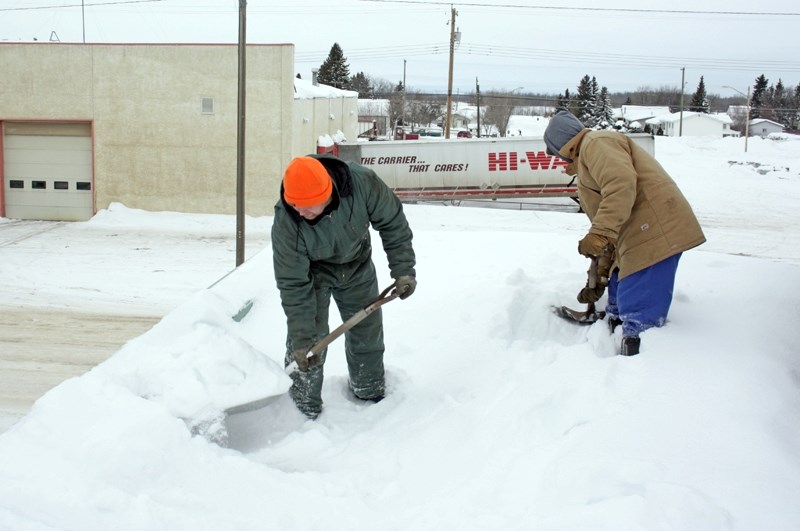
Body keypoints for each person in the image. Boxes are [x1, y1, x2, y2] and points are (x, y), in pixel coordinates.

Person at [543, 110, 705, 356]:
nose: (558, 160)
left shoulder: (597, 143)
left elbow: (620, 186)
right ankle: (616, 325)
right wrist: (599, 275)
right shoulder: (588, 154)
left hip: (654, 227)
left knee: (638, 301)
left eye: (556, 153)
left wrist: (599, 233)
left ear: (562, 146)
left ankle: (640, 356)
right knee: (620, 284)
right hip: (636, 230)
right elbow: (609, 230)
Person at [271, 155, 416, 418]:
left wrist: (403, 269)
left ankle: (369, 390)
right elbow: (292, 283)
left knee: (367, 334)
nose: (299, 212)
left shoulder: (362, 184)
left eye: (305, 206)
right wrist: (302, 339)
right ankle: (302, 410)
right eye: (294, 204)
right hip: (313, 276)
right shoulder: (287, 221)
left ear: (326, 194)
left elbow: (392, 222)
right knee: (309, 347)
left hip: (356, 265)